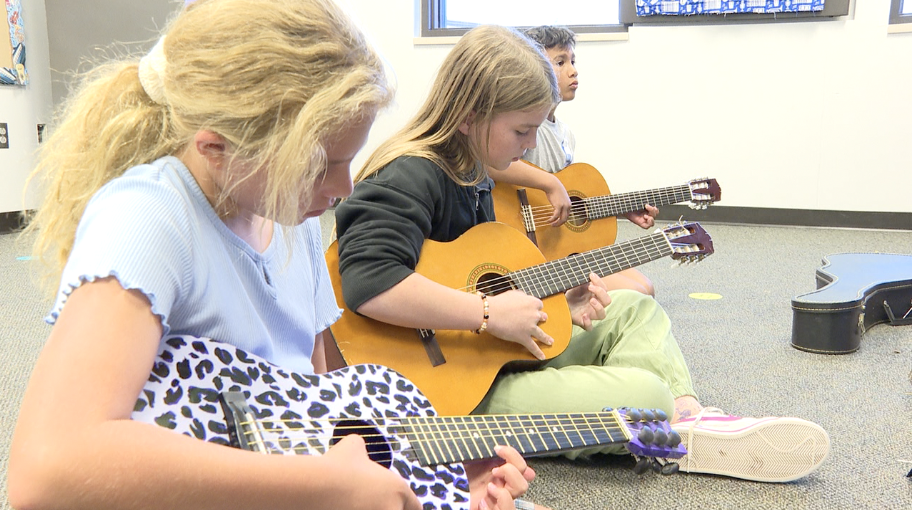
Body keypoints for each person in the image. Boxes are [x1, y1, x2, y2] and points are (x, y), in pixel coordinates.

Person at [5, 2, 535, 510]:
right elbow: (47, 467)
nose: (344, 189)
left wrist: (427, 470)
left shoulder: (286, 213)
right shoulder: (148, 217)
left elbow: (315, 405)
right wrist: (321, 487)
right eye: (320, 165)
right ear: (217, 148)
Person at [334, 24, 831, 483]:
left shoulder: (476, 173)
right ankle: (672, 425)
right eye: (522, 131)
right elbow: (368, 282)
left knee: (634, 308)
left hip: (483, 349)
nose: (530, 149)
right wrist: (487, 311)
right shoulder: (410, 174)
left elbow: (475, 273)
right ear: (468, 117)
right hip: (450, 393)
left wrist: (556, 304)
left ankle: (688, 421)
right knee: (645, 396)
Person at [489, 25, 657, 296]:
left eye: (573, 61)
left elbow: (570, 197)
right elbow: (492, 164)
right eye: (560, 62)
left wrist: (616, 209)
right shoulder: (522, 127)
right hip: (530, 245)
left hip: (556, 238)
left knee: (645, 286)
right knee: (636, 292)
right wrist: (549, 183)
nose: (573, 70)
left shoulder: (566, 134)